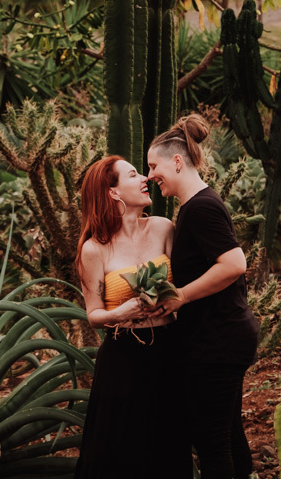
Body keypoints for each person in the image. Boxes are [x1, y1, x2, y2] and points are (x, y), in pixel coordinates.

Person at [147, 114, 259, 479]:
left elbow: (234, 264)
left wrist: (180, 296)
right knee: (226, 435)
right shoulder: (196, 205)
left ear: (177, 161)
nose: (149, 175)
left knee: (212, 442)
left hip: (218, 341)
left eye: (153, 166)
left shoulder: (201, 207)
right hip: (221, 337)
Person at [74, 155, 191, 479]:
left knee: (168, 447)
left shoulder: (164, 228)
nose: (146, 178)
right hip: (122, 357)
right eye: (134, 174)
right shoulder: (95, 249)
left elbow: (186, 283)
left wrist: (173, 299)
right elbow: (93, 314)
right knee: (119, 451)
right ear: (113, 192)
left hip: (169, 352)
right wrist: (120, 312)